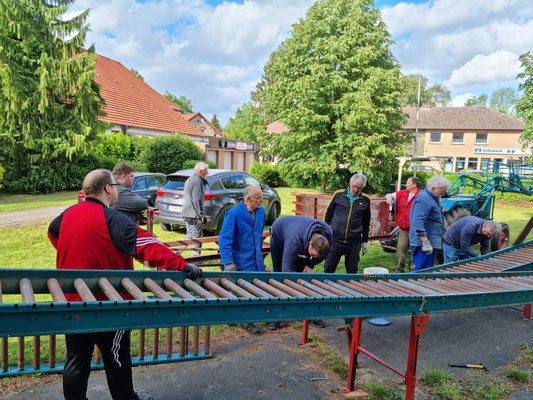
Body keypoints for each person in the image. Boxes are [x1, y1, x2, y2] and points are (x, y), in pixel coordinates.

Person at [48, 169, 202, 400]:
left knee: (76, 358)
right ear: (108, 189)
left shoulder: (68, 214)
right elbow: (148, 244)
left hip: (73, 303)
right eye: (116, 186)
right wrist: (180, 264)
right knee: (117, 357)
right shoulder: (112, 219)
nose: (118, 190)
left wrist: (79, 251)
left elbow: (53, 233)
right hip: (109, 304)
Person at [270, 215, 332, 329]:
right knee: (279, 277)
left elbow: (326, 254)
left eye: (314, 256)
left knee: (305, 277)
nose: (313, 257)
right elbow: (286, 271)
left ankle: (310, 314)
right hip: (279, 235)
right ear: (309, 244)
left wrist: (310, 264)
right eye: (312, 255)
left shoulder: (328, 234)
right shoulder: (294, 241)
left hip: (300, 235)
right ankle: (276, 316)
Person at [219, 185, 266, 334]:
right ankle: (243, 320)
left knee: (254, 287)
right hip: (240, 259)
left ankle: (237, 316)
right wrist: (228, 262)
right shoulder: (233, 214)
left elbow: (258, 235)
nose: (262, 200)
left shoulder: (261, 212)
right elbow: (225, 239)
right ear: (248, 199)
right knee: (239, 290)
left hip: (255, 259)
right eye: (259, 198)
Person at [323, 173, 371, 274]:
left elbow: (366, 222)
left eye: (359, 188)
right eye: (354, 186)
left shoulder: (366, 200)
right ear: (350, 183)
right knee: (328, 268)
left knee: (352, 270)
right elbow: (328, 213)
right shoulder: (338, 194)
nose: (356, 190)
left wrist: (365, 241)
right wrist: (325, 232)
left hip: (354, 242)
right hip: (335, 239)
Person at [409, 175, 451, 271]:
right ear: (433, 188)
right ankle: (415, 285)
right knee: (421, 269)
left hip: (431, 240)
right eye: (442, 191)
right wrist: (425, 242)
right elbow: (417, 221)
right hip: (423, 243)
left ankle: (422, 284)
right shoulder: (424, 199)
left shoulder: (434, 197)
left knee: (427, 269)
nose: (444, 193)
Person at [385, 176, 422, 273]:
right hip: (404, 229)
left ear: (415, 185)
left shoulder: (422, 195)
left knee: (416, 250)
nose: (406, 185)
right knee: (401, 249)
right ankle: (399, 270)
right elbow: (391, 195)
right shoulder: (402, 193)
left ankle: (413, 270)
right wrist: (389, 196)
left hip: (417, 230)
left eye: (408, 183)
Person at [182, 162, 210, 256]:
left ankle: (173, 253)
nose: (207, 173)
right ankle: (196, 259)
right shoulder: (197, 181)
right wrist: (201, 215)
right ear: (200, 171)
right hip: (194, 215)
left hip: (187, 213)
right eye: (206, 171)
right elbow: (197, 199)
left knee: (189, 236)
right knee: (197, 237)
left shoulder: (190, 179)